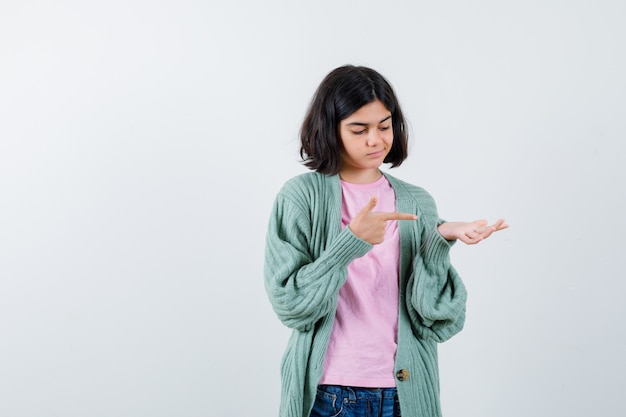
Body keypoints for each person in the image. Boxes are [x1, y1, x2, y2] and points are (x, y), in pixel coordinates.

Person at [264, 65, 508, 417]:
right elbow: (291, 304)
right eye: (359, 129)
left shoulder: (417, 201)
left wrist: (439, 240)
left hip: (404, 392)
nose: (376, 140)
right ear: (330, 129)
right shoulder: (301, 197)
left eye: (384, 125)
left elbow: (439, 320)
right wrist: (350, 244)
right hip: (330, 392)